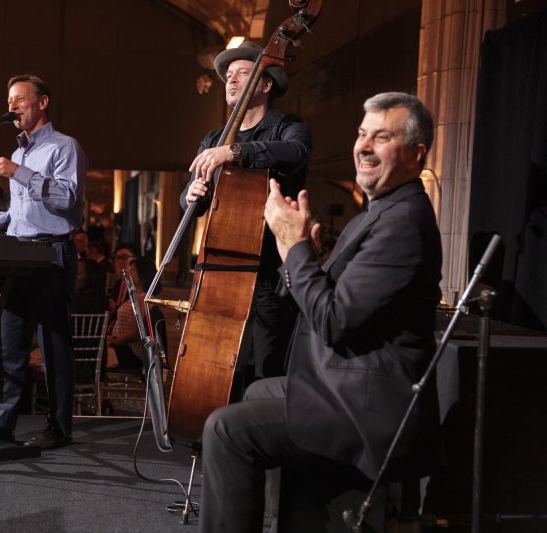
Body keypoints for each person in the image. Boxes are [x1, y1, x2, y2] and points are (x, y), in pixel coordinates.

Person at [199, 92, 443, 532]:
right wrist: (297, 254)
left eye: (382, 137)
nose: (364, 146)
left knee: (224, 429)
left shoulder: (401, 223)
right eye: (362, 134)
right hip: (344, 383)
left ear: (415, 154)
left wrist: (293, 248)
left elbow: (333, 322)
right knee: (256, 393)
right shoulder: (380, 212)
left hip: (366, 407)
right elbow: (325, 299)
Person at [0, 74, 87, 450]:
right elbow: (22, 209)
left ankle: (58, 428)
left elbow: (66, 199)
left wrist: (18, 173)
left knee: (53, 346)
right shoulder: (18, 153)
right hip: (19, 253)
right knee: (7, 343)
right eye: (8, 101)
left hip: (52, 254)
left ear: (42, 102)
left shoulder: (64, 147)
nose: (11, 106)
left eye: (19, 99)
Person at [181, 41, 312, 386]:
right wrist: (191, 195)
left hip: (269, 275)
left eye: (242, 74)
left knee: (266, 370)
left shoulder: (289, 127)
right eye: (229, 76)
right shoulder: (213, 139)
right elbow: (192, 200)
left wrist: (236, 151)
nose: (232, 80)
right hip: (219, 272)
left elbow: (295, 153)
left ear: (266, 84)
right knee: (216, 367)